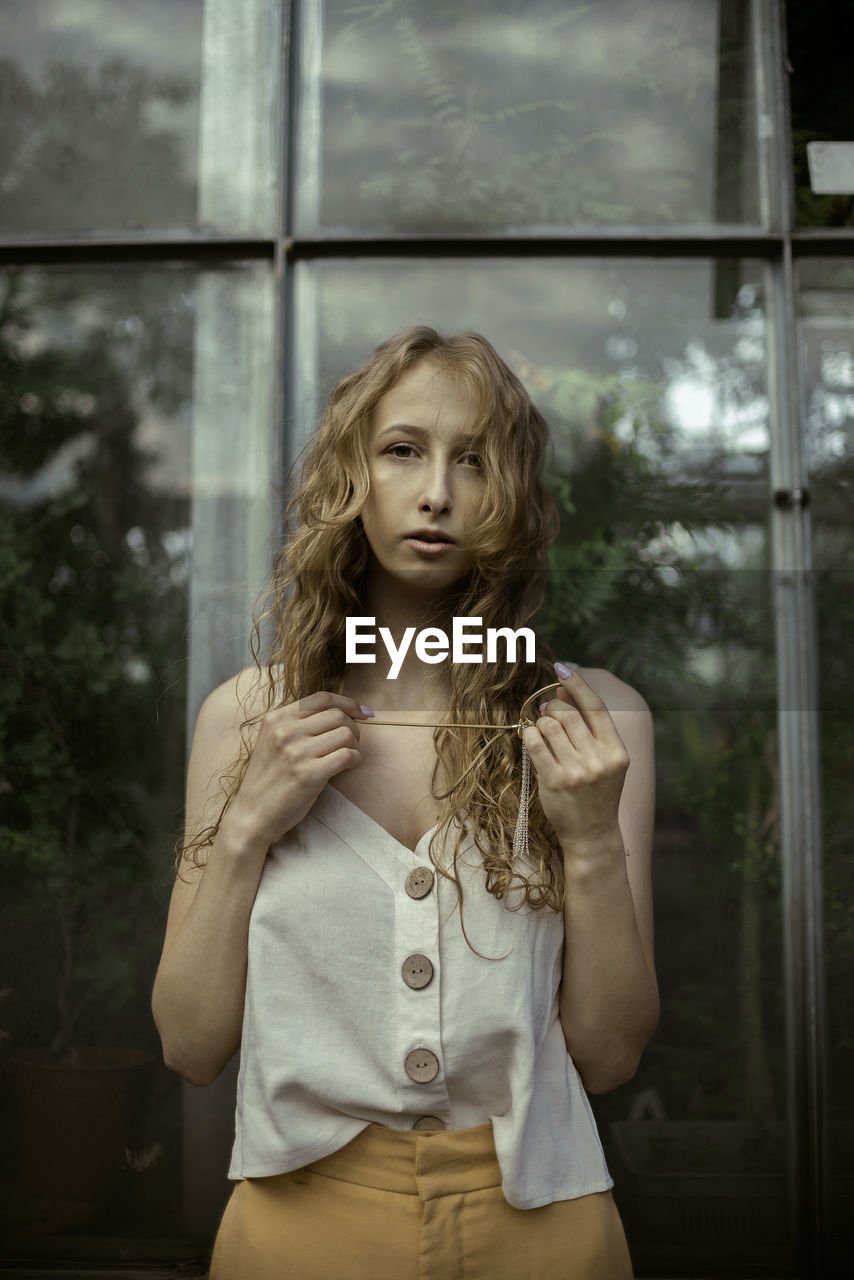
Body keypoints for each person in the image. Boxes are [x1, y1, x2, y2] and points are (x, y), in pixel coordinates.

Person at [152, 326, 658, 1279]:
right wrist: (248, 827)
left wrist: (590, 843)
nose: (437, 493)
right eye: (402, 451)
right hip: (295, 1227)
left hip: (542, 1229)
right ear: (352, 477)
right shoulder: (243, 720)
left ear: (511, 495)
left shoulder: (595, 725)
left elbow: (611, 1056)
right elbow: (188, 1043)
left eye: (474, 461)